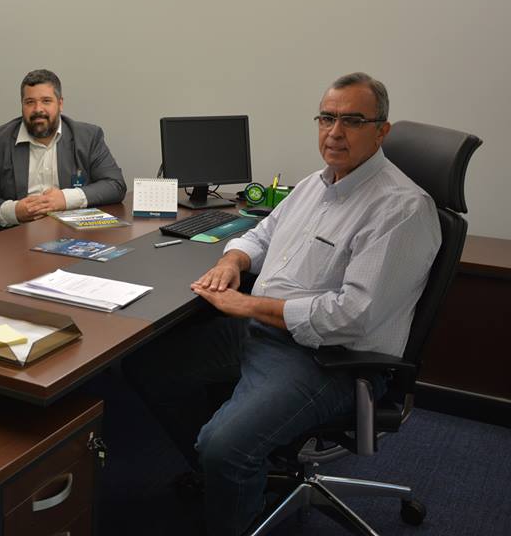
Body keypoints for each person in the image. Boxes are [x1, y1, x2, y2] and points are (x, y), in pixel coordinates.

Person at [122, 72, 442, 536]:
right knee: (148, 364)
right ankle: (234, 473)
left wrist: (250, 307)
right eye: (327, 118)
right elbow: (262, 233)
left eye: (352, 121)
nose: (335, 132)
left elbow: (349, 317)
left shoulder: (401, 209)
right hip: (265, 333)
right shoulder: (316, 184)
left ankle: (231, 466)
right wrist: (233, 260)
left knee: (224, 445)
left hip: (330, 359)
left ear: (381, 131)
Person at [0, 69, 126, 234]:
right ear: (22, 105)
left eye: (46, 101)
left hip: (71, 234)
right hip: (17, 235)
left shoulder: (87, 137)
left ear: (60, 104)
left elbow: (115, 185)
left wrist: (65, 199)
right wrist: (15, 212)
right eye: (30, 102)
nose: (38, 109)